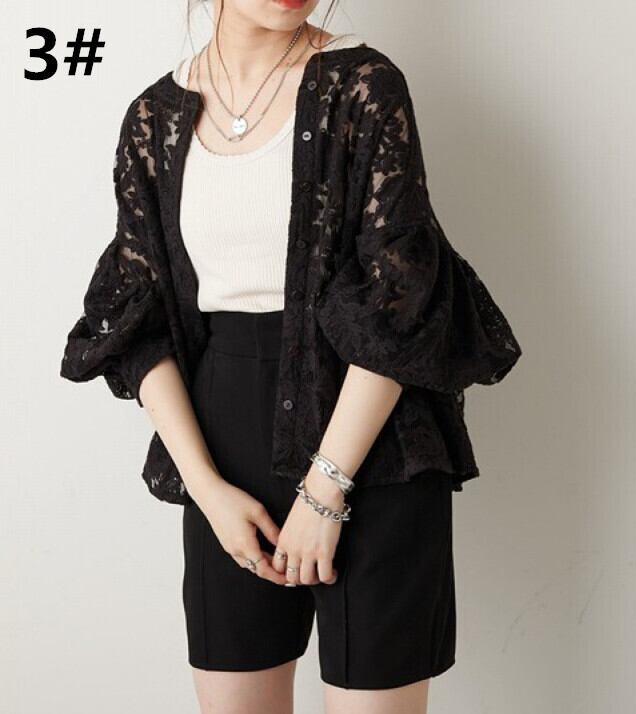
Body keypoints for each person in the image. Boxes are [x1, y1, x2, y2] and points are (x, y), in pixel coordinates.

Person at [60, 1, 522, 712]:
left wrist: (325, 489)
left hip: (372, 445)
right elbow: (136, 321)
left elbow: (398, 299)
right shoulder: (153, 118)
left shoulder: (365, 86)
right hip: (222, 451)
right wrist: (206, 491)